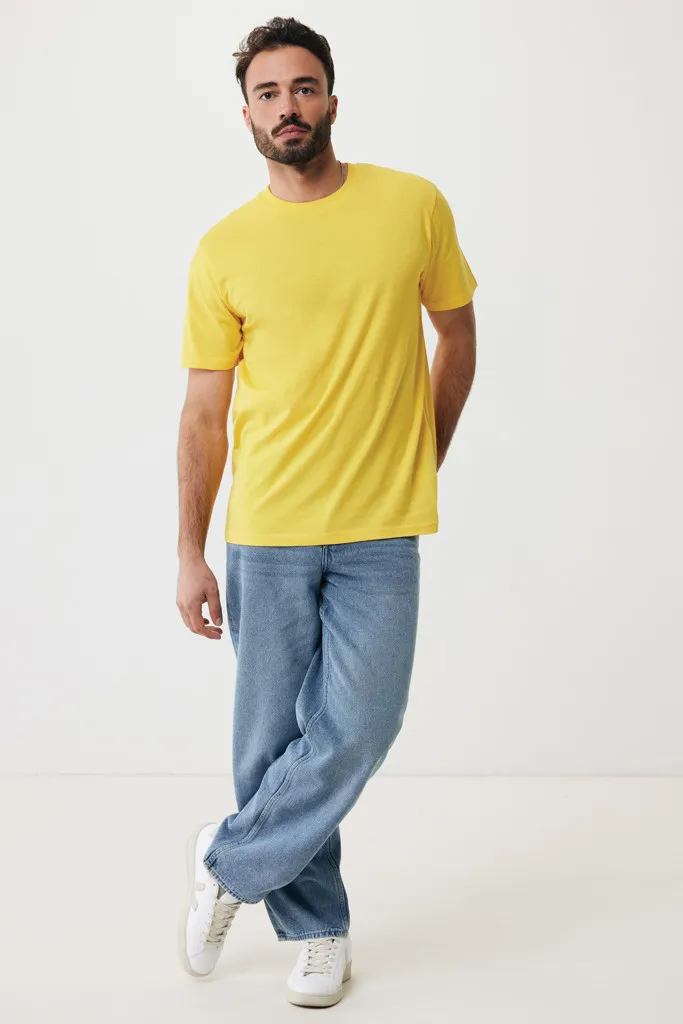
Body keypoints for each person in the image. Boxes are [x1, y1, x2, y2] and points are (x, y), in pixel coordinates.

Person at [175, 15, 478, 1008]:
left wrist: (424, 452)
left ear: (332, 100)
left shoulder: (411, 206)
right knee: (268, 742)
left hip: (379, 528)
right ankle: (317, 931)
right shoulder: (223, 249)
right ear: (247, 116)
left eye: (302, 87)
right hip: (265, 532)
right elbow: (204, 413)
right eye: (267, 93)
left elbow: (457, 333)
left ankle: (229, 860)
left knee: (361, 724)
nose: (287, 106)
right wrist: (188, 551)